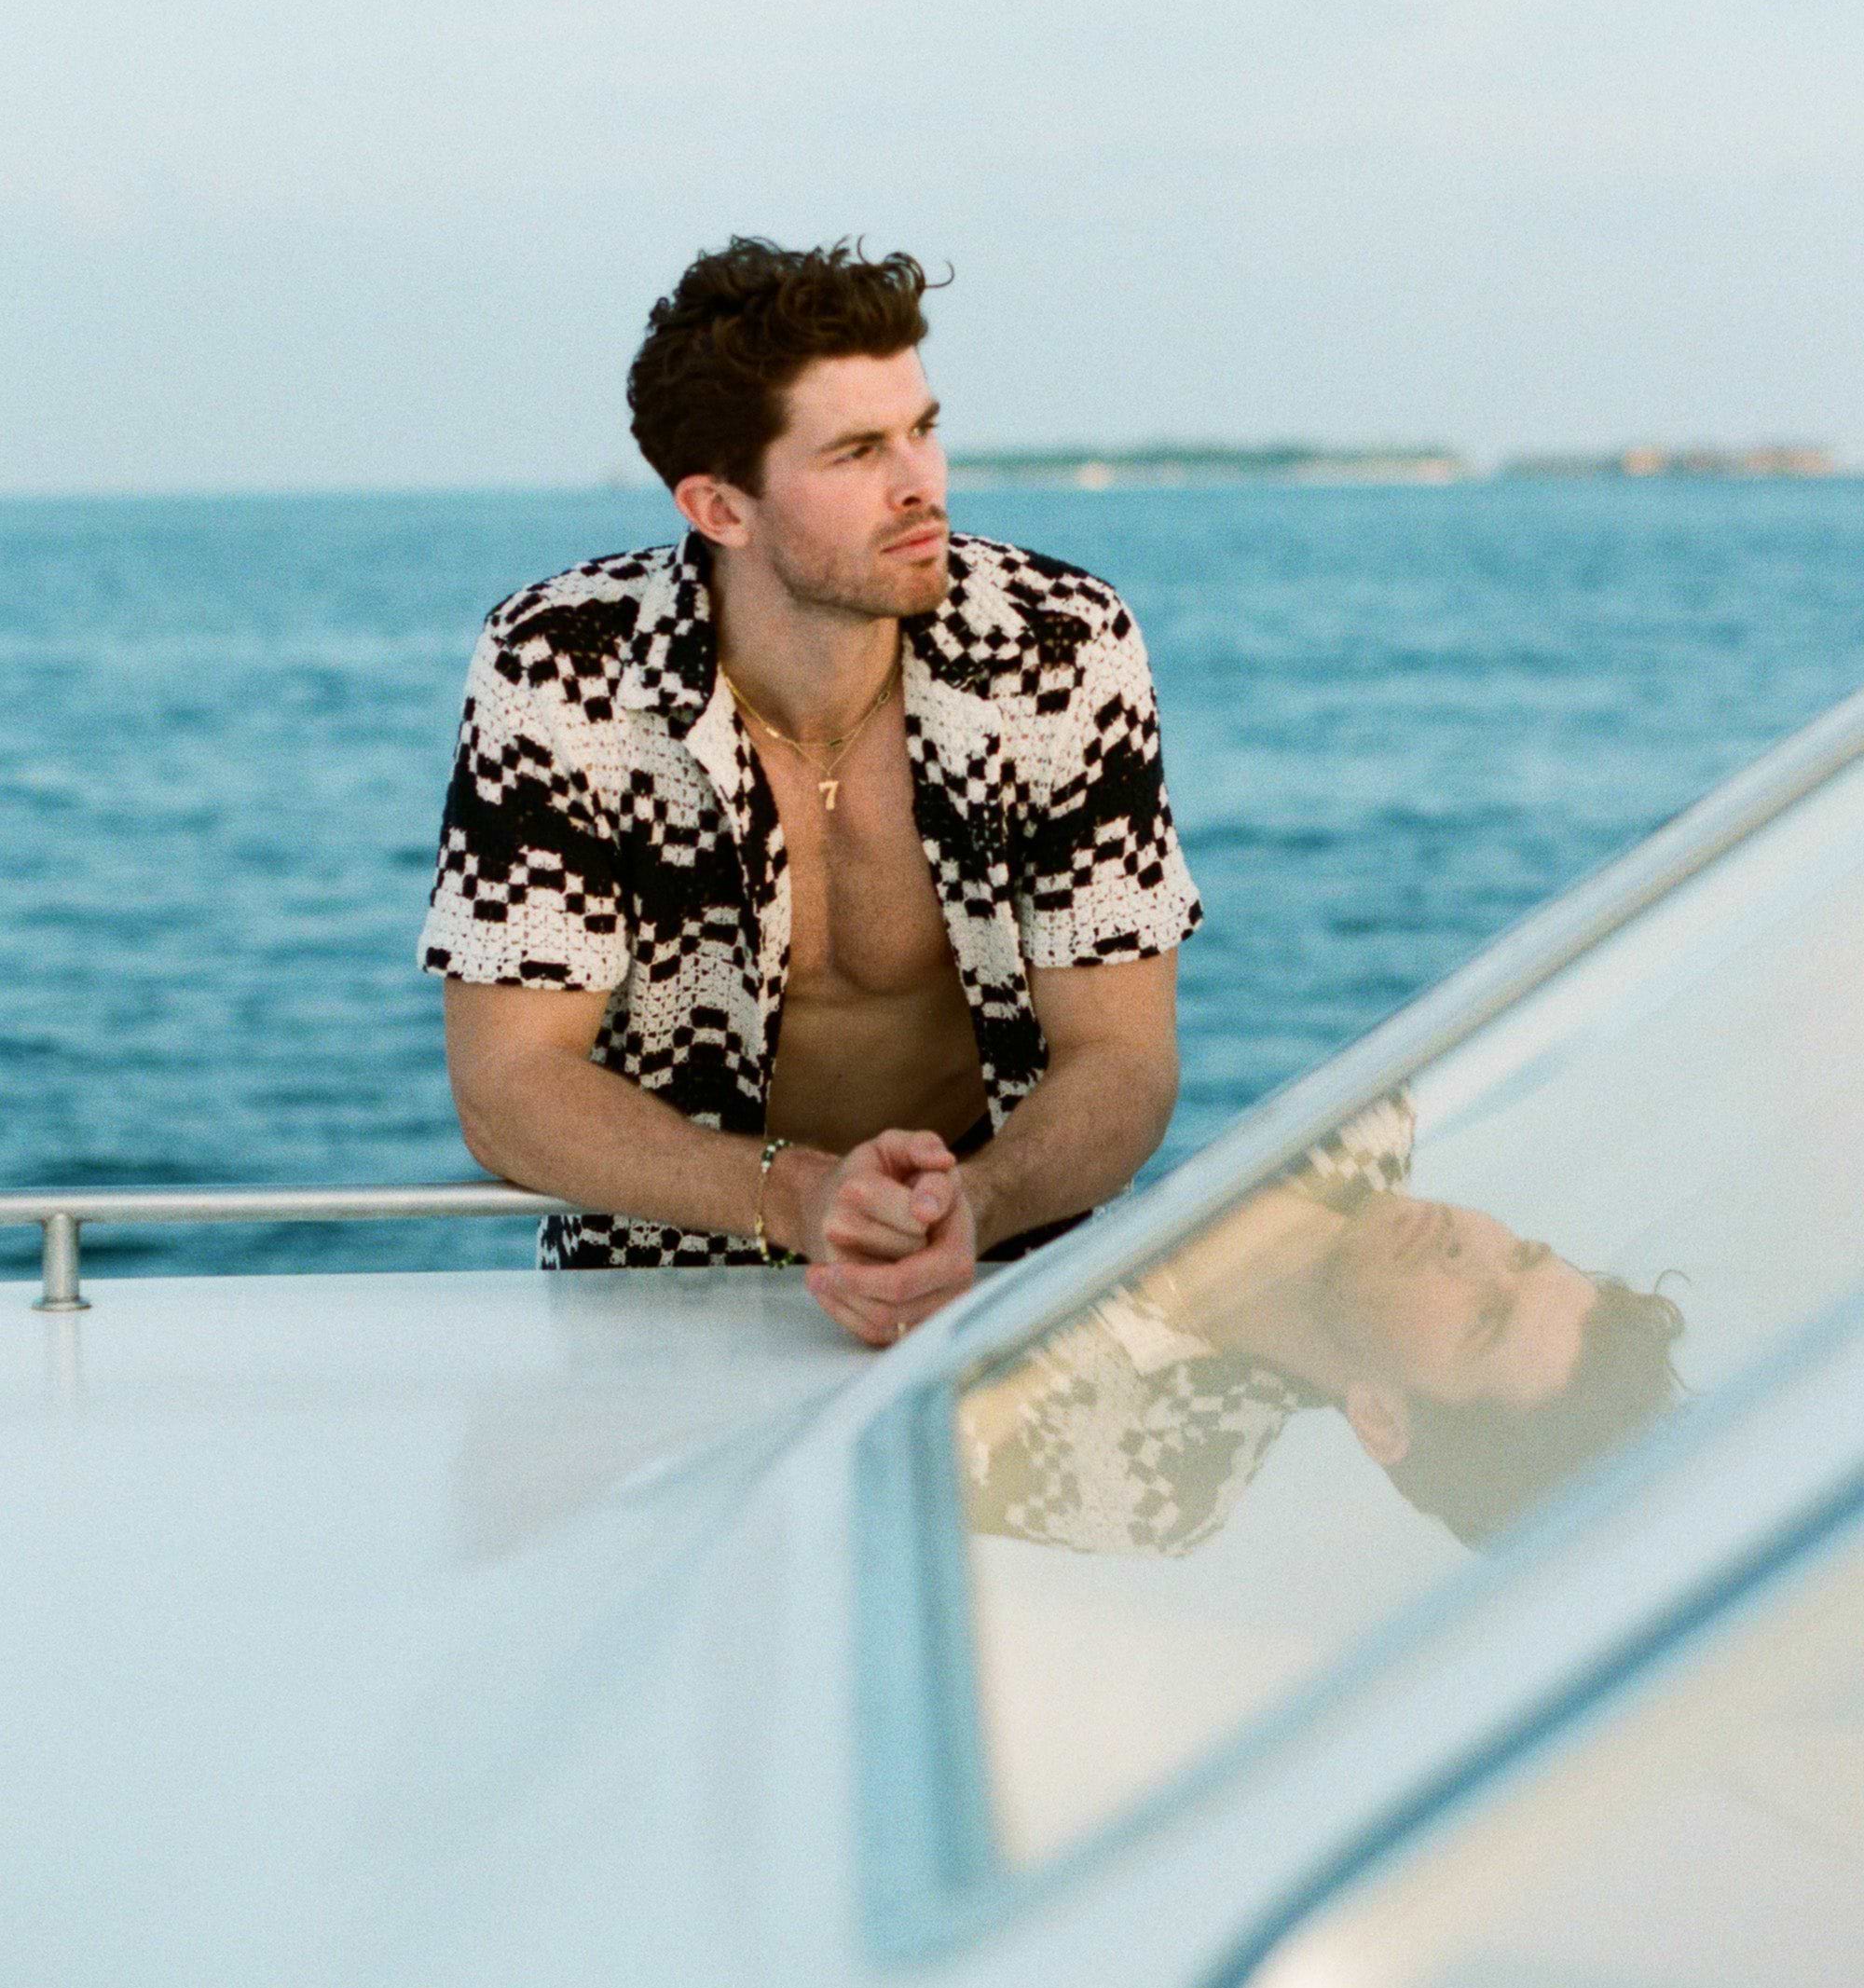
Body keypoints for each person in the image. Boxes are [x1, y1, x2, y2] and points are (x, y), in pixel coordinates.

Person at [419, 238, 1202, 1344]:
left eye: (922, 429)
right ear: (719, 508)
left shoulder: (1057, 643)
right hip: (665, 1293)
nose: (919, 482)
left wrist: (967, 1209)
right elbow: (506, 1085)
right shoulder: (564, 665)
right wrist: (800, 1196)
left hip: (1010, 1277)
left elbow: (1122, 1055)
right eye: (854, 452)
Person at [961, 1093, 1684, 1551]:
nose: (1471, 1247)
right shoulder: (1354, 1103)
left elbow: (894, 1446)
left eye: (1485, 1318)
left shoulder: (1168, 1476)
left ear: (1382, 1420)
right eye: (1522, 1254)